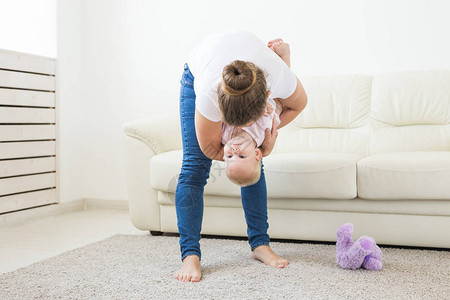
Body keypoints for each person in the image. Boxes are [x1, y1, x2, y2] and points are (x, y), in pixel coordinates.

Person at [175, 30, 307, 282]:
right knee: (194, 167)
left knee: (251, 164)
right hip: (204, 68)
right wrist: (246, 153)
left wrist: (264, 143)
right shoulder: (207, 93)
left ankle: (260, 244)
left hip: (258, 69)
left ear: (267, 98)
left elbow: (297, 104)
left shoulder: (278, 79)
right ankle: (190, 255)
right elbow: (209, 150)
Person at [222, 98, 283, 186]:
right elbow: (275, 107)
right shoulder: (263, 132)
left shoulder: (223, 136)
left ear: (223, 156)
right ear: (257, 154)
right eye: (242, 156)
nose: (234, 151)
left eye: (230, 156)